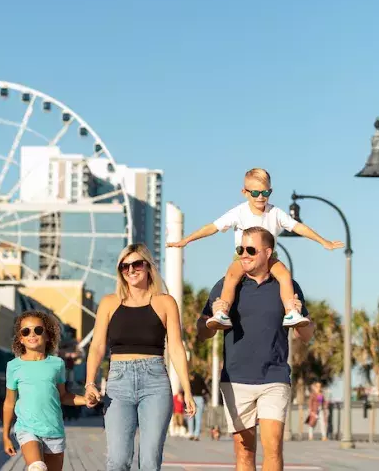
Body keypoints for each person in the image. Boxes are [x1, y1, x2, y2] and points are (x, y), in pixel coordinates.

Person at [197, 226, 315, 471]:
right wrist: (213, 322)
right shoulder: (226, 286)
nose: (244, 254)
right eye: (240, 249)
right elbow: (203, 331)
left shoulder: (287, 286)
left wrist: (298, 311)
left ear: (268, 252)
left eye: (250, 249)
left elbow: (306, 335)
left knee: (273, 449)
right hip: (236, 379)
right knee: (245, 452)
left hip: (274, 377)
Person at [168, 168, 343, 330]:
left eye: (265, 193)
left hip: (268, 257)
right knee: (231, 276)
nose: (260, 197)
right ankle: (223, 312)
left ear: (270, 191)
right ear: (245, 192)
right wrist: (186, 240)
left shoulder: (275, 213)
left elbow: (298, 227)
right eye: (255, 193)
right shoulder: (239, 212)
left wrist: (323, 241)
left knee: (284, 275)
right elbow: (212, 227)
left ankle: (291, 312)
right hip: (243, 257)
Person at [84, 243, 196, 471]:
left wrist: (187, 390)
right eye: (125, 267)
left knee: (149, 461)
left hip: (155, 382)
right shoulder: (108, 303)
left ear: (148, 267)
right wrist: (89, 383)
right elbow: (96, 346)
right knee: (117, 460)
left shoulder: (165, 302)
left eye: (136, 264)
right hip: (118, 382)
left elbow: (175, 347)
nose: (131, 270)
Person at [2, 311, 96, 471]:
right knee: (37, 467)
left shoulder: (57, 364)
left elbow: (63, 396)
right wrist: (6, 436)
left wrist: (85, 400)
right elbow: (9, 402)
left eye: (38, 330)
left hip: (54, 430)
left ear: (47, 335)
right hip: (27, 429)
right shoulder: (13, 366)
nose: (32, 334)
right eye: (26, 331)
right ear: (20, 338)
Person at [187, 371, 210, 441]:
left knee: (190, 416)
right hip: (200, 399)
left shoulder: (189, 382)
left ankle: (191, 433)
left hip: (191, 398)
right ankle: (196, 435)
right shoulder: (201, 380)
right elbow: (206, 390)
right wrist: (203, 394)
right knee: (198, 418)